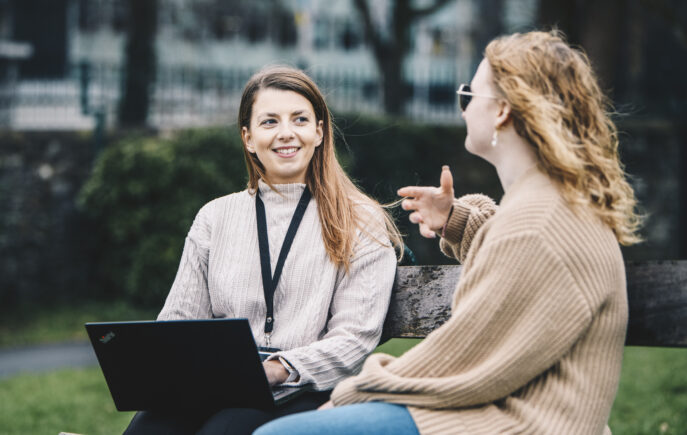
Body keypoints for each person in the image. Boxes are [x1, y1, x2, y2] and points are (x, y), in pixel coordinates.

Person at [254, 30, 643, 435]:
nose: (463, 109)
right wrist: (457, 221)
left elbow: (464, 358)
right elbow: (522, 272)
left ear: (502, 112)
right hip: (511, 411)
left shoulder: (538, 221)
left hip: (517, 422)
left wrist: (355, 392)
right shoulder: (552, 207)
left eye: (469, 96)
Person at [124, 66, 402, 434]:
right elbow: (178, 319)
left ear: (318, 132)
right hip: (217, 381)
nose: (286, 133)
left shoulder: (359, 218)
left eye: (299, 119)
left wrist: (277, 368)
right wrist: (170, 364)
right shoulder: (215, 217)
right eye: (269, 122)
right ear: (249, 138)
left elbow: (354, 339)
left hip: (304, 386)